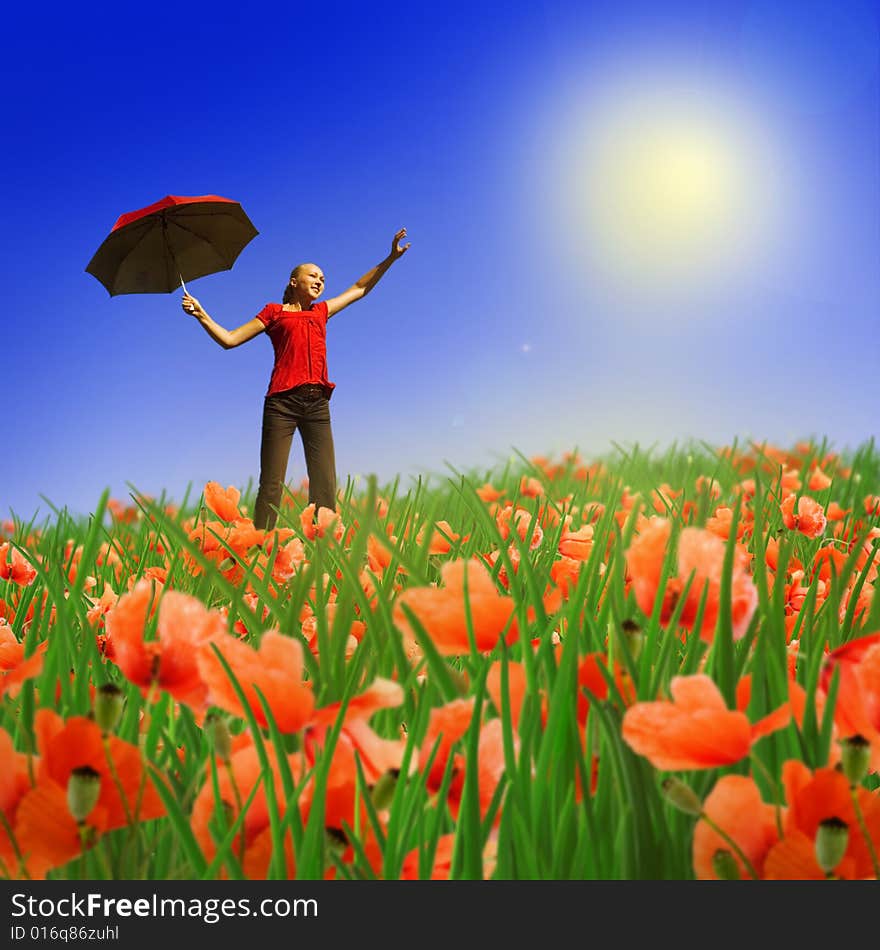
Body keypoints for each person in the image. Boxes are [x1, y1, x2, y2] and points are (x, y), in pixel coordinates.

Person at [181, 228, 411, 530]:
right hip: (281, 405)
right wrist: (202, 315)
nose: (320, 280)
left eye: (323, 279)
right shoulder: (274, 313)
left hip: (317, 406)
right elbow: (230, 339)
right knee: (272, 485)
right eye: (314, 275)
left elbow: (359, 288)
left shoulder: (321, 312)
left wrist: (390, 258)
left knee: (325, 484)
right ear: (294, 281)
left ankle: (323, 549)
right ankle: (261, 547)